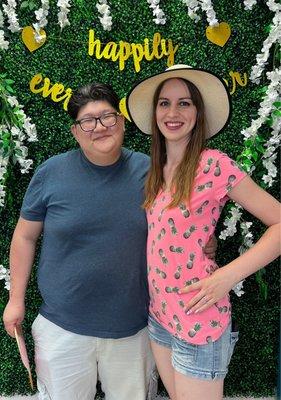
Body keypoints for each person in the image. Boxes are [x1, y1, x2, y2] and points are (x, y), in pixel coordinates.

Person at [3, 82, 216, 400]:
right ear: (76, 132)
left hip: (133, 328)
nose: (99, 127)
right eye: (88, 121)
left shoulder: (152, 173)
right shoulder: (51, 173)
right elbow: (24, 235)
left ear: (122, 122)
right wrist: (15, 299)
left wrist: (203, 242)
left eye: (107, 117)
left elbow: (180, 226)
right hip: (62, 327)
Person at [126, 64, 281, 400]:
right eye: (164, 103)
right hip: (160, 315)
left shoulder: (213, 164)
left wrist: (226, 277)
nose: (173, 112)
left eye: (184, 103)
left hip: (199, 321)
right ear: (154, 113)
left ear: (198, 112)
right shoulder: (157, 169)